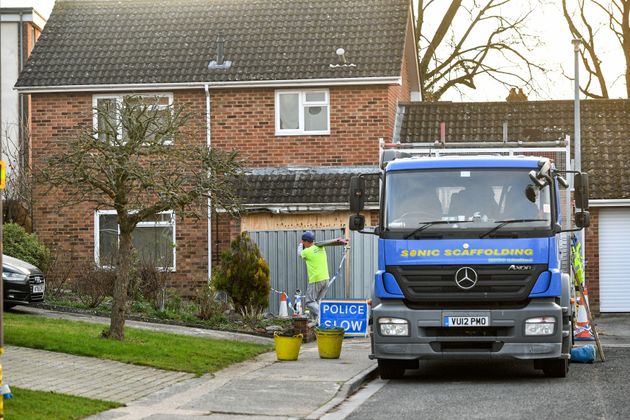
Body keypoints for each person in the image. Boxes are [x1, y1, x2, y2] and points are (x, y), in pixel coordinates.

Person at [297, 231, 330, 323]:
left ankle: (324, 316)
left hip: (316, 280)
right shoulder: (321, 248)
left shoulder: (307, 251)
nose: (303, 243)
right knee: (317, 302)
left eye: (303, 242)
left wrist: (300, 245)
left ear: (307, 242)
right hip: (326, 279)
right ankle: (315, 322)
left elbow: (299, 253)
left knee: (310, 302)